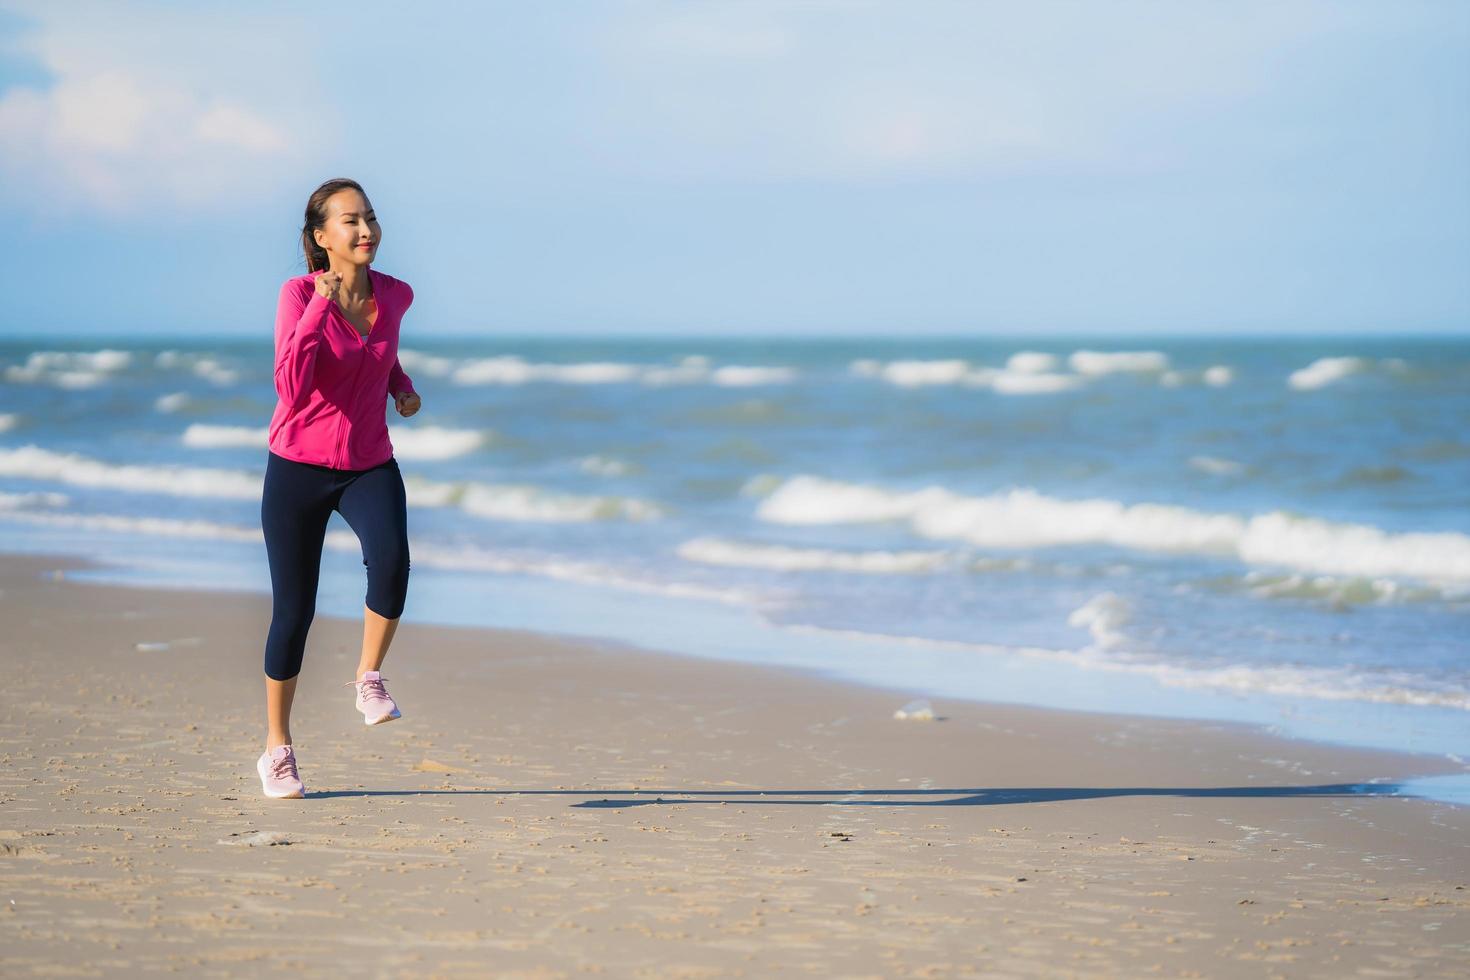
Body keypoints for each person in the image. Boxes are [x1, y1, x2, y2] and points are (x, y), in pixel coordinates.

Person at [256, 177, 422, 799]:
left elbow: (378, 354)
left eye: (371, 218)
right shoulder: (297, 295)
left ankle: (368, 676)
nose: (366, 230)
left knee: (394, 559)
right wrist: (322, 305)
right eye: (350, 221)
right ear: (322, 238)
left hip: (366, 461)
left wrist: (399, 386)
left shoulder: (397, 295)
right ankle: (277, 747)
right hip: (296, 466)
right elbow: (291, 385)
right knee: (293, 613)